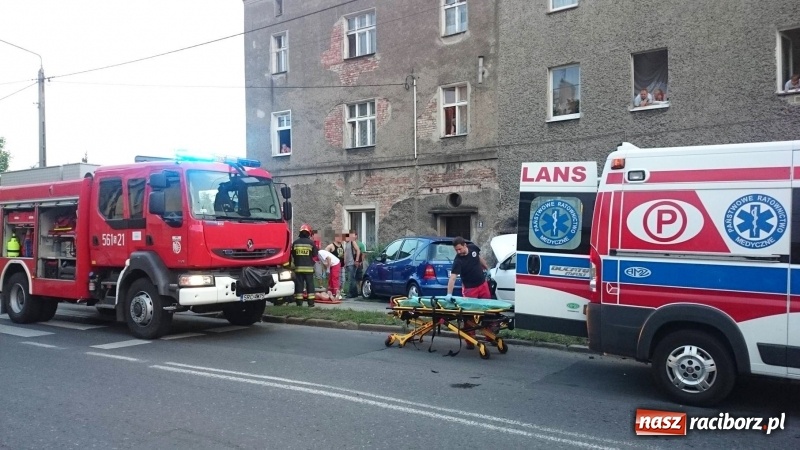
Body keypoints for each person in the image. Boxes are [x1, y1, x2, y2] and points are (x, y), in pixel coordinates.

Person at [445, 236, 490, 349]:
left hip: (482, 284)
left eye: (460, 249)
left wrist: (486, 268)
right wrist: (449, 294)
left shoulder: (473, 248)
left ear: (465, 245)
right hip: (470, 289)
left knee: (489, 311)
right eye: (456, 250)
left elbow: (479, 258)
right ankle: (470, 340)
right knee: (469, 316)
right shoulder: (458, 261)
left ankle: (490, 336)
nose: (458, 252)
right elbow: (453, 278)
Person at [290, 223, 318, 307]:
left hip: (298, 268)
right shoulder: (311, 243)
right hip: (309, 269)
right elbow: (315, 255)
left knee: (299, 285)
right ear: (309, 232)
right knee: (310, 285)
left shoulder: (295, 243)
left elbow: (293, 254)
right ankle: (311, 303)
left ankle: (299, 302)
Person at [325, 233, 346, 299]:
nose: (341, 239)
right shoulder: (331, 246)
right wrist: (327, 263)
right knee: (334, 279)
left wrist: (345, 262)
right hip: (334, 266)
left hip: (341, 265)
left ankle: (340, 291)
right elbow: (325, 252)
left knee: (342, 279)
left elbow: (343, 255)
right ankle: (333, 292)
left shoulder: (342, 245)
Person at [344, 230, 362, 298]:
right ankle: (353, 293)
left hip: (352, 263)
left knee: (352, 278)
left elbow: (358, 250)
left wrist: (356, 260)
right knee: (351, 278)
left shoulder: (352, 242)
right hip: (348, 264)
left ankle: (352, 293)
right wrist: (345, 263)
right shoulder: (347, 244)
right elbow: (346, 254)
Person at [350, 230, 367, 296]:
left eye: (353, 235)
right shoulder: (350, 243)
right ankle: (357, 291)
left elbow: (363, 254)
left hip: (358, 262)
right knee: (355, 278)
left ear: (356, 236)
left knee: (359, 278)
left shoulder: (360, 244)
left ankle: (361, 291)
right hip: (352, 262)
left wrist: (361, 262)